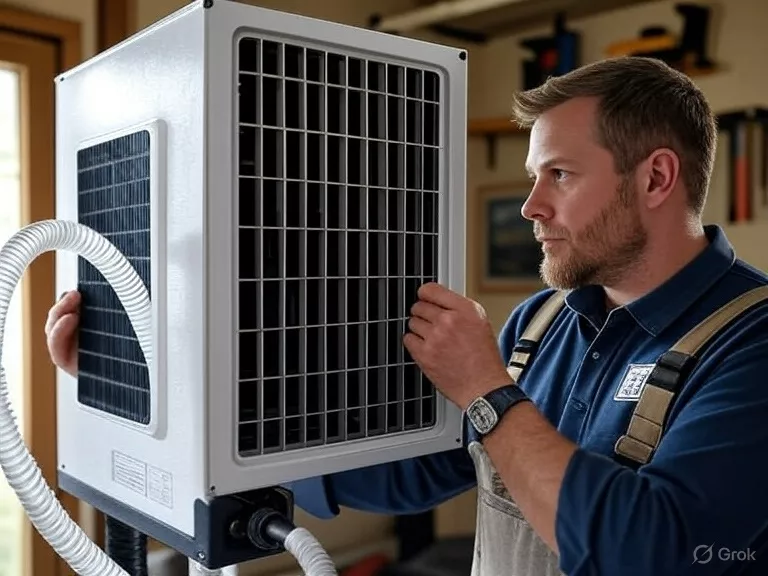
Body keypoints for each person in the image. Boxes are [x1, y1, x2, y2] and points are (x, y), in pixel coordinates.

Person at [46, 56, 768, 576]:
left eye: (561, 174)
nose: (530, 207)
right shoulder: (538, 325)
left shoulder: (751, 343)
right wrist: (142, 380)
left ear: (656, 178)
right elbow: (411, 470)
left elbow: (655, 549)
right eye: (532, 177)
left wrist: (486, 390)